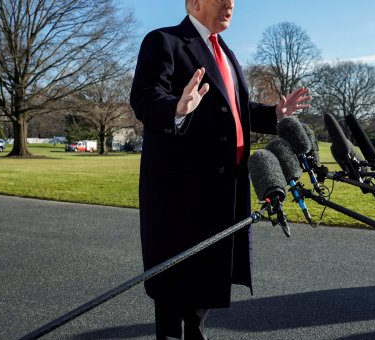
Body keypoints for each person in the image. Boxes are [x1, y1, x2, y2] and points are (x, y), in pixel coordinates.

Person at [129, 0, 311, 338]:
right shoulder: (164, 41)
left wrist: (274, 113)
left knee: (208, 273)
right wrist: (177, 107)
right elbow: (144, 96)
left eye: (233, 0)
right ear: (196, 3)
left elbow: (236, 110)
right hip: (181, 190)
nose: (230, 5)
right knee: (174, 277)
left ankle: (197, 331)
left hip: (225, 187)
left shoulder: (225, 52)